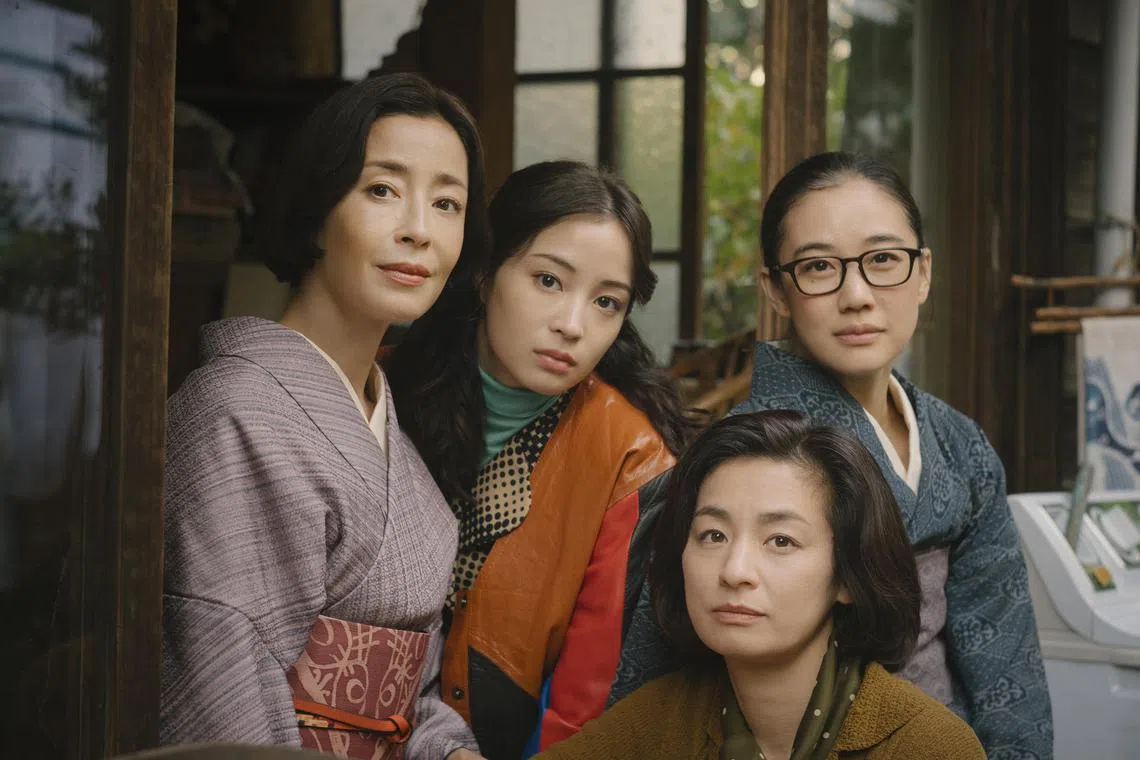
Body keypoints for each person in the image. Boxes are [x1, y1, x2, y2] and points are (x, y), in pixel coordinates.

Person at [162, 73, 485, 760]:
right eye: (382, 190)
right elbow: (227, 693)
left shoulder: (381, 415)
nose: (419, 231)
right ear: (315, 212)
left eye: (448, 203)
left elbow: (411, 698)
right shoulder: (236, 412)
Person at [733, 151, 1052, 757]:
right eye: (819, 266)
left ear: (923, 272)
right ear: (775, 289)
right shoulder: (740, 453)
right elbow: (664, 661)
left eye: (883, 260)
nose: (856, 295)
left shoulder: (961, 445)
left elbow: (1006, 662)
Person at [385, 160, 693, 758]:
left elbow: (588, 696)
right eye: (549, 281)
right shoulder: (383, 389)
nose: (572, 326)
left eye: (607, 302)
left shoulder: (631, 456)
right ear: (483, 274)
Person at [533, 410, 984, 760]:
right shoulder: (655, 724)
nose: (735, 570)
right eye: (713, 535)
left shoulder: (928, 746)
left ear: (847, 575)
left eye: (780, 541)